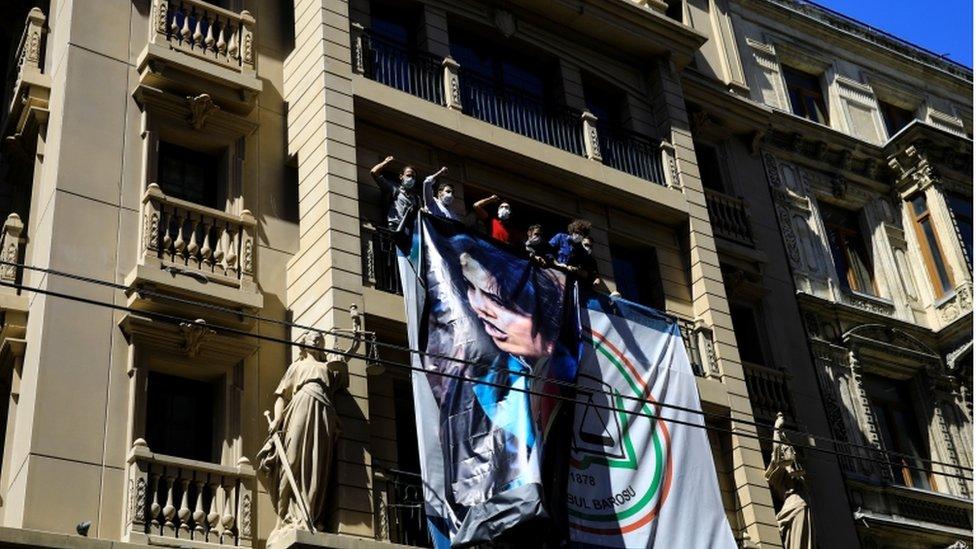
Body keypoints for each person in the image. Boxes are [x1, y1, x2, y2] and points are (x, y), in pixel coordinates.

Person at [257, 331, 349, 542]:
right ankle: (283, 517)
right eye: (313, 336)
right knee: (292, 458)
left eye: (320, 337)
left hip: (324, 410)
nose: (317, 339)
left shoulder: (328, 368)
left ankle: (309, 515)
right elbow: (281, 395)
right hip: (300, 404)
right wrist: (277, 421)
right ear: (304, 343)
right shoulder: (296, 367)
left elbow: (342, 373)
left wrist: (348, 350)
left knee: (317, 463)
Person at [371, 155, 419, 231]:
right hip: (394, 227)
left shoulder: (415, 198)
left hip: (409, 231)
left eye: (413, 177)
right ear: (401, 176)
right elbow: (374, 172)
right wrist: (385, 162)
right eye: (408, 176)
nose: (411, 179)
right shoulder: (394, 189)